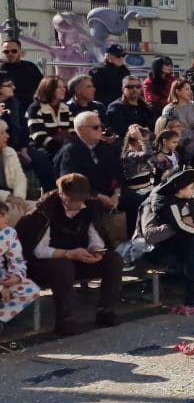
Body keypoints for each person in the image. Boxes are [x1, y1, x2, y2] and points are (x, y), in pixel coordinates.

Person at [18, 173, 122, 336]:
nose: (76, 204)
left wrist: (96, 251)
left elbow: (95, 235)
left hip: (79, 258)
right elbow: (38, 250)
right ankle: (64, 318)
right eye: (71, 199)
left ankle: (106, 310)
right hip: (45, 264)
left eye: (80, 200)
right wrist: (68, 254)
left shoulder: (90, 207)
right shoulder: (44, 211)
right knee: (62, 266)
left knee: (113, 260)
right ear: (61, 194)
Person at [137, 169, 194, 307]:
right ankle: (192, 298)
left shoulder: (186, 201)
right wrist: (176, 225)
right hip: (156, 249)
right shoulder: (154, 204)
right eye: (192, 187)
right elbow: (150, 236)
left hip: (181, 243)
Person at [55, 112, 122, 211]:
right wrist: (99, 196)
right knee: (93, 208)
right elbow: (70, 184)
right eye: (95, 127)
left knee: (135, 201)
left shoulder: (107, 148)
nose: (100, 130)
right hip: (83, 198)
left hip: (111, 196)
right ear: (81, 129)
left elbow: (118, 173)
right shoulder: (70, 152)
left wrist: (116, 194)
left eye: (101, 126)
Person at [0, 201, 40, 324]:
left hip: (2, 275)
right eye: (2, 215)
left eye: (6, 214)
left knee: (31, 290)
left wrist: (17, 276)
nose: (8, 217)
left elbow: (17, 259)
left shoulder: (9, 233)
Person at [27, 76, 72, 158]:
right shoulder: (35, 108)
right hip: (42, 148)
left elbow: (73, 131)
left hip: (65, 147)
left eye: (63, 86)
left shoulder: (66, 108)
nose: (64, 89)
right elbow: (38, 136)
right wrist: (61, 144)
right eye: (59, 87)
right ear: (48, 89)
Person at [160, 80, 194, 160]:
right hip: (183, 142)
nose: (190, 92)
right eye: (187, 89)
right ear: (178, 91)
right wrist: (193, 131)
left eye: (190, 89)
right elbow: (172, 131)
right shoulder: (170, 110)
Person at [0, 120, 30, 224]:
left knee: (36, 211)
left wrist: (18, 197)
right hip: (4, 199)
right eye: (2, 133)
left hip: (10, 200)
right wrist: (7, 197)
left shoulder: (10, 152)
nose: (7, 136)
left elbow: (20, 178)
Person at [1, 39, 43, 112]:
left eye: (14, 51)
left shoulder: (30, 67)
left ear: (20, 51)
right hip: (8, 108)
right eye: (6, 51)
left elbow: (42, 87)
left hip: (32, 106)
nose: (10, 54)